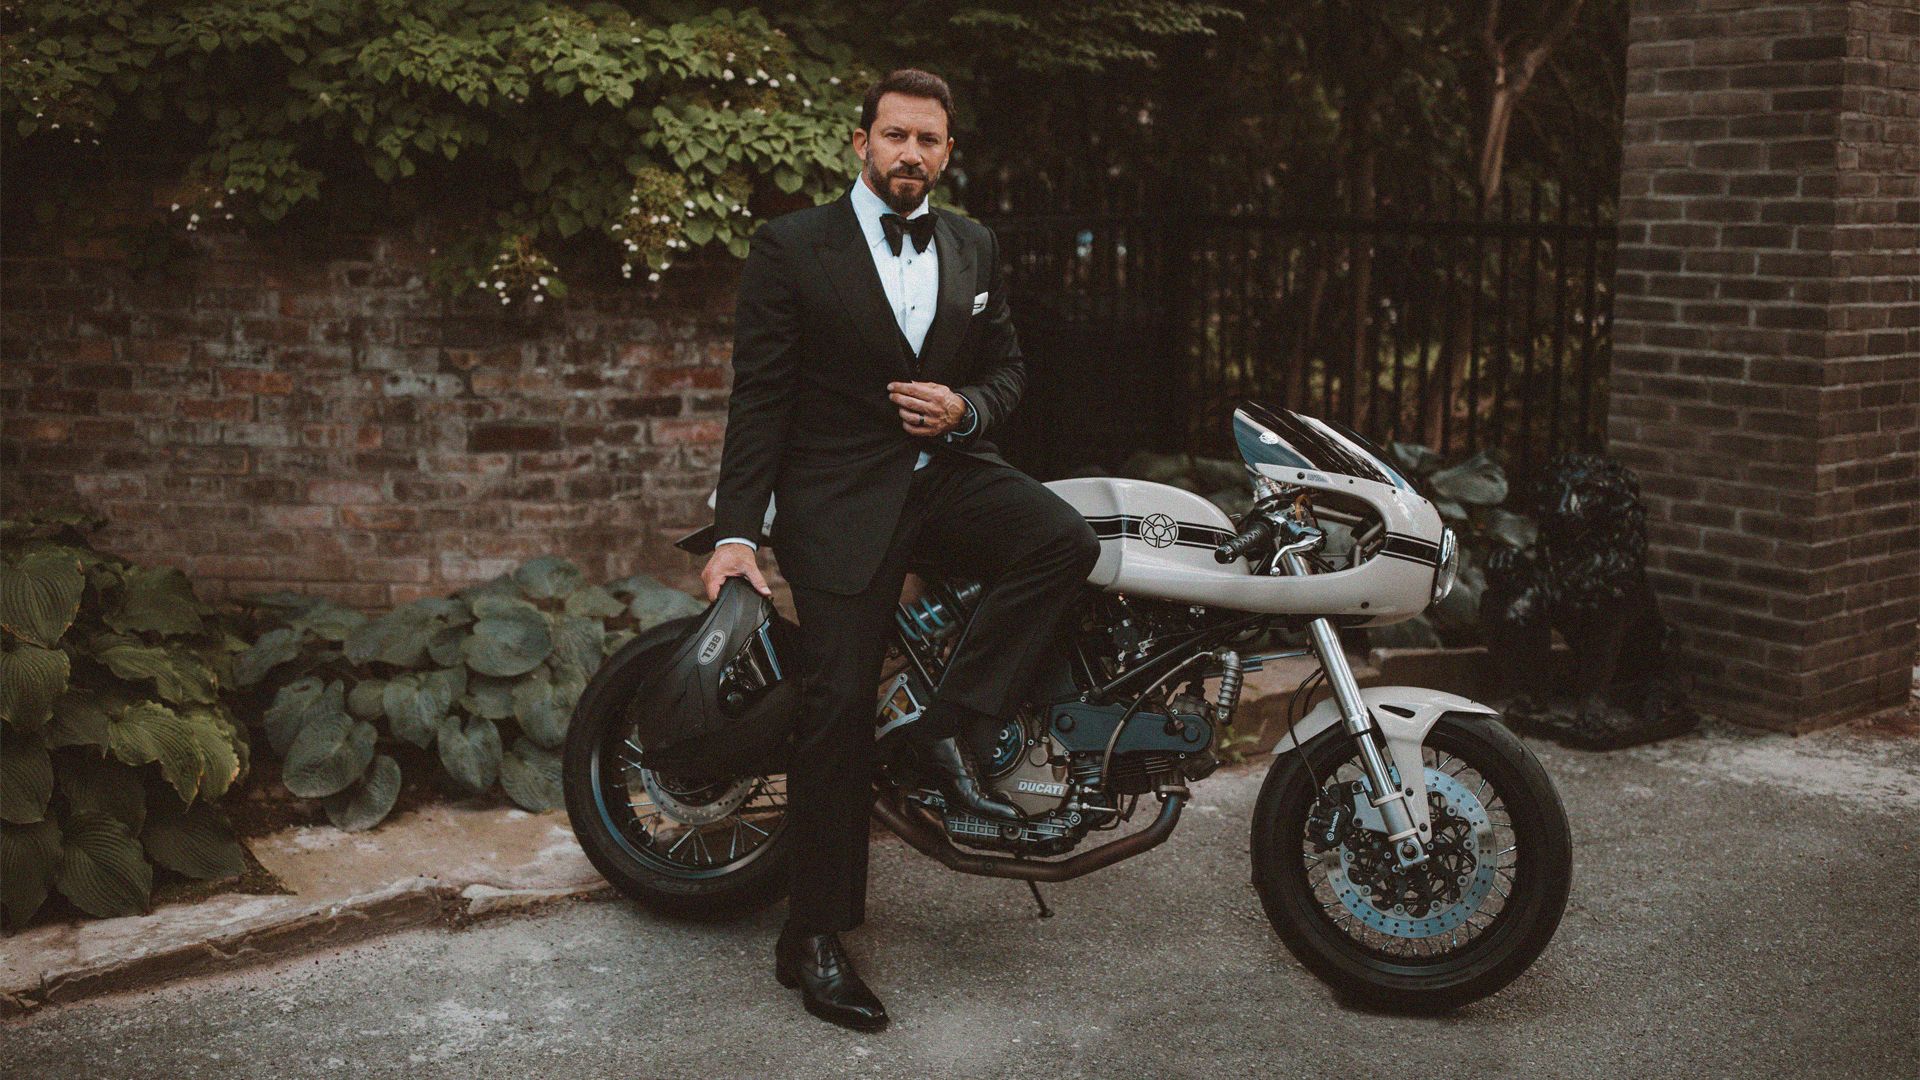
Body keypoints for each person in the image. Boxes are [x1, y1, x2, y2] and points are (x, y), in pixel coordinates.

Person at [699, 68, 1100, 1032]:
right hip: (838, 497)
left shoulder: (973, 242)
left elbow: (1007, 370)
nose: (910, 153)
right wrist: (735, 532)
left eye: (928, 140)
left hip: (950, 474)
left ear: (948, 154)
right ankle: (814, 935)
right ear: (860, 143)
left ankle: (950, 725)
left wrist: (969, 410)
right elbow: (759, 399)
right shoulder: (793, 245)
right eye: (894, 136)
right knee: (837, 703)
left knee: (1063, 541)